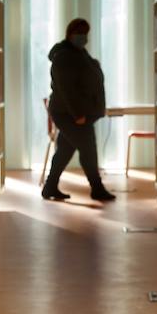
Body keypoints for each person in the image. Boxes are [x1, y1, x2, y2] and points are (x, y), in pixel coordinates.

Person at [42, 18, 116, 202]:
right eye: (80, 33)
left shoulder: (79, 53)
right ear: (70, 34)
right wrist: (78, 115)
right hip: (69, 114)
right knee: (88, 148)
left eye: (85, 34)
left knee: (65, 151)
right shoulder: (63, 56)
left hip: (77, 114)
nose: (83, 38)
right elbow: (67, 90)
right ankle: (97, 188)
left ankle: (50, 187)